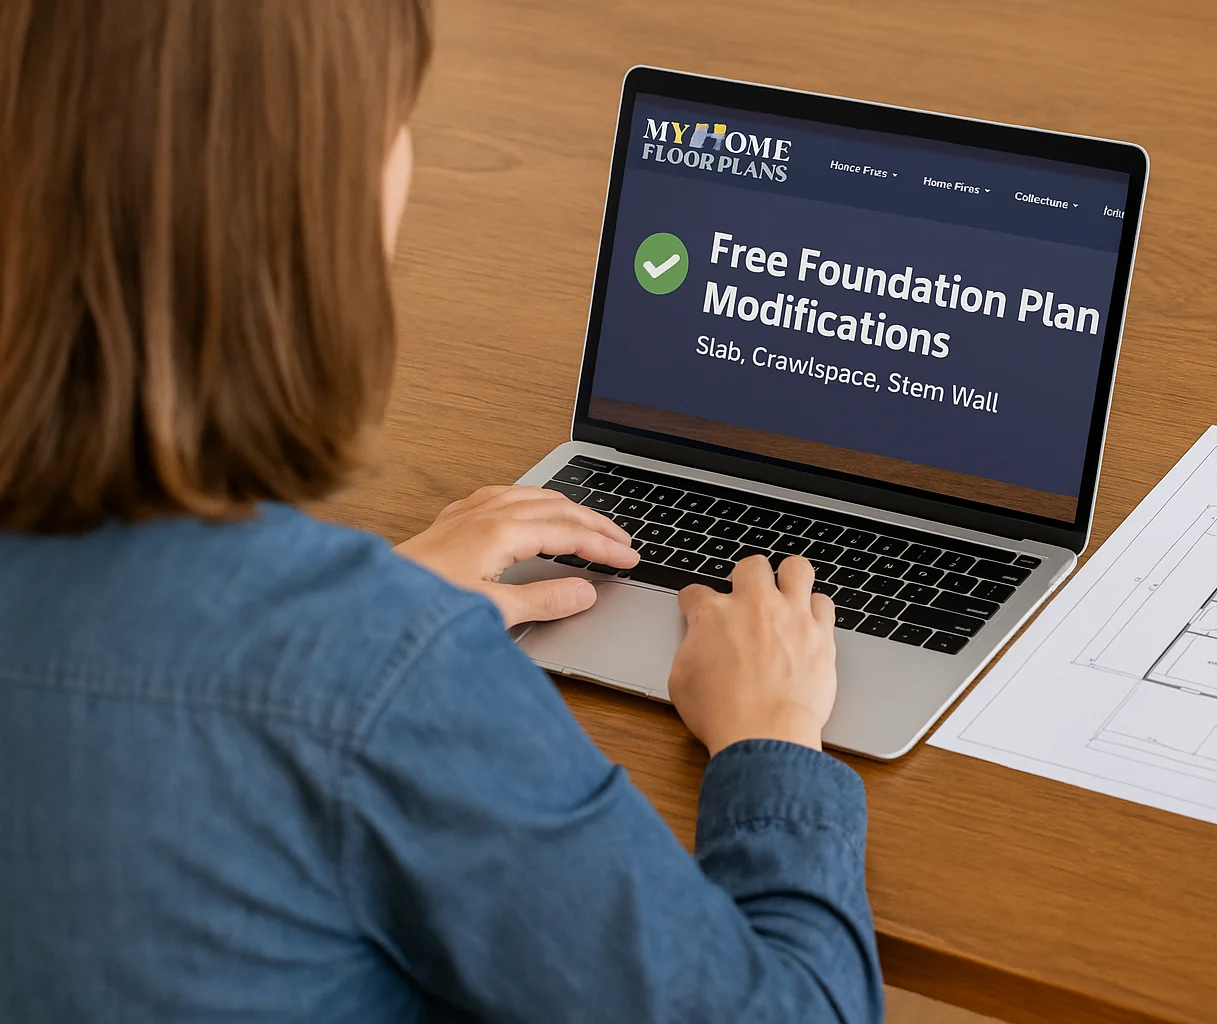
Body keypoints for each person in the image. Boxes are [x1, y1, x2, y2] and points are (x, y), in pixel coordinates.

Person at [0, 2, 882, 1021]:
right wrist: (772, 735)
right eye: (394, 120)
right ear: (321, 200)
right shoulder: (381, 683)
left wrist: (362, 615)